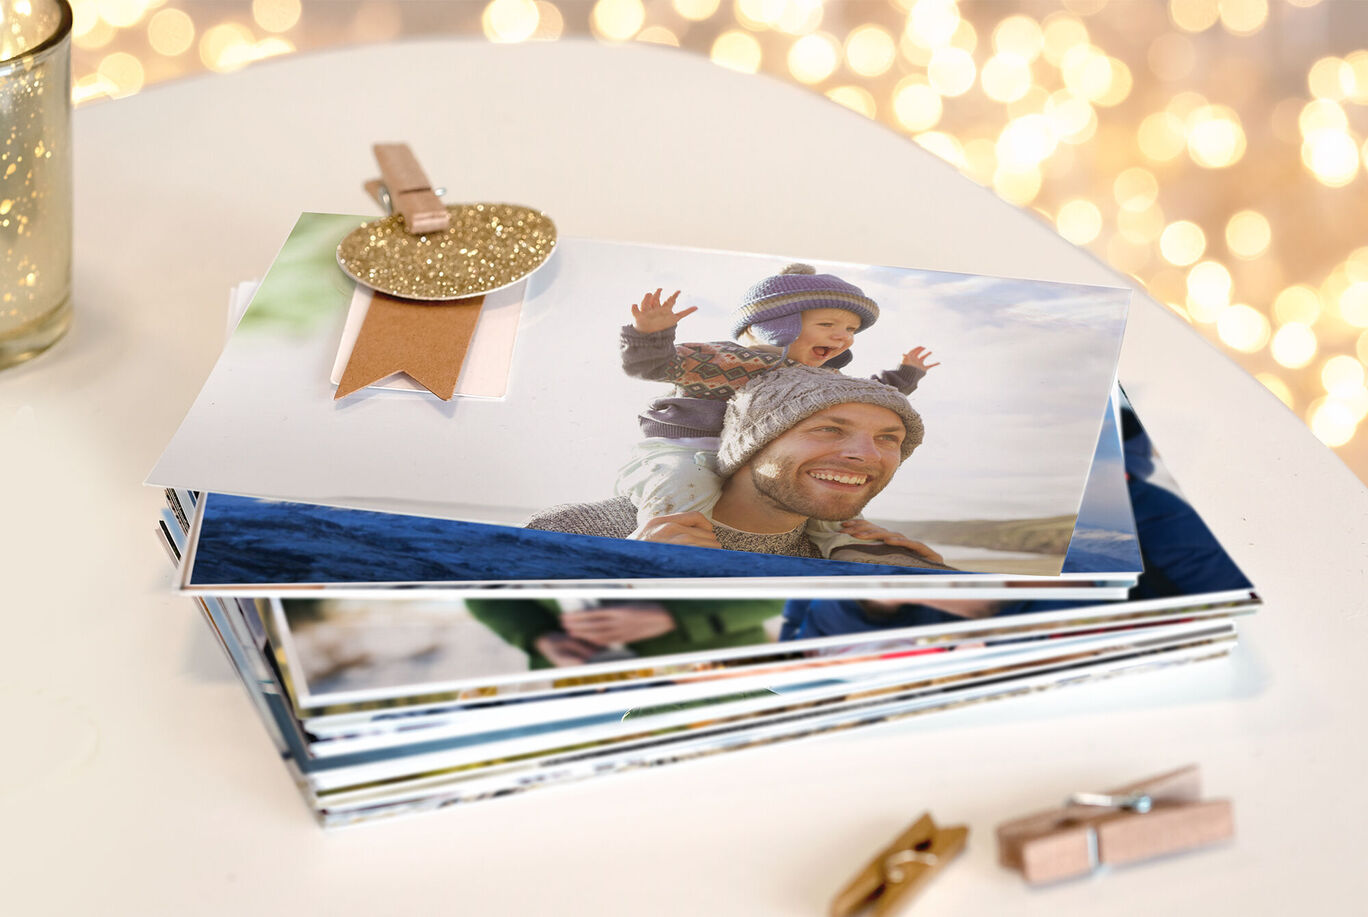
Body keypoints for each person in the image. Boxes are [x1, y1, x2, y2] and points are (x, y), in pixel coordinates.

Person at [616, 263, 939, 559]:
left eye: (851, 330)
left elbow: (866, 395)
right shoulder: (723, 358)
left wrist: (906, 374)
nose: (843, 337)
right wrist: (651, 335)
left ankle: (851, 548)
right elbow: (650, 366)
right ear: (776, 324)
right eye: (828, 324)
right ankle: (666, 545)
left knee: (832, 506)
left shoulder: (820, 379)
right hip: (689, 449)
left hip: (769, 465)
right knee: (683, 487)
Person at [529, 364, 952, 569]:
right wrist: (617, 577)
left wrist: (946, 593)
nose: (867, 455)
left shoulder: (849, 562)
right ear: (750, 445)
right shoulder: (574, 533)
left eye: (888, 439)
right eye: (828, 429)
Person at [463, 597, 783, 670]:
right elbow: (483, 585)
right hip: (576, 685)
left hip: (718, 676)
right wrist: (540, 635)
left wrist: (677, 616)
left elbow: (795, 582)